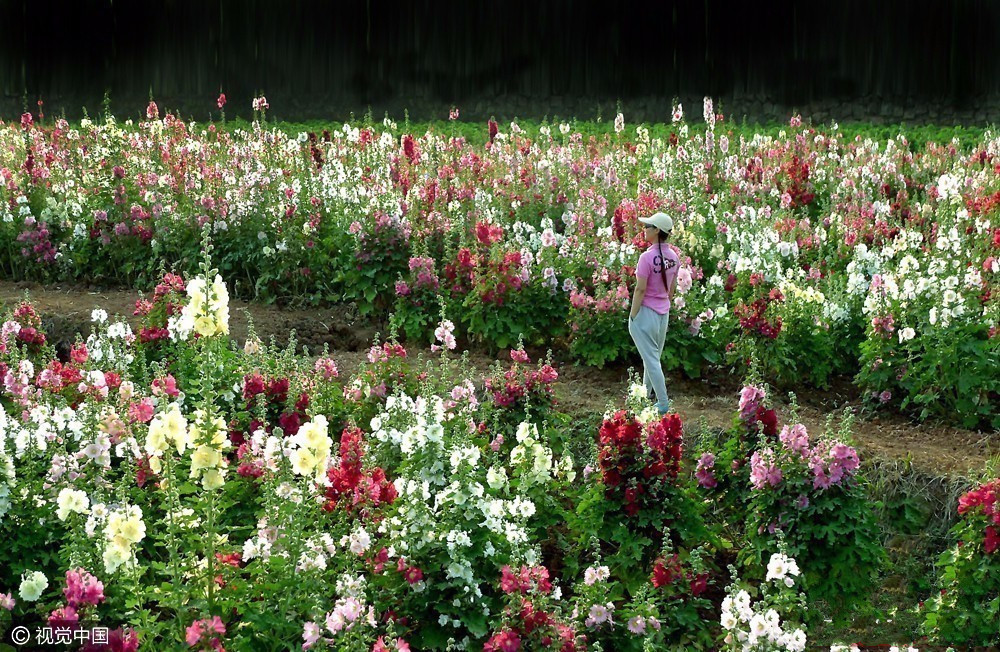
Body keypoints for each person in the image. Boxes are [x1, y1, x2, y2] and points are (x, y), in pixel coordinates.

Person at [628, 212, 680, 415]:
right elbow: (672, 289)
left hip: (646, 312)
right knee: (652, 358)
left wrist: (633, 316)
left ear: (657, 230)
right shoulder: (674, 257)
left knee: (651, 360)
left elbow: (640, 289)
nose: (644, 229)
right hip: (662, 314)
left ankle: (663, 403)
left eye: (648, 226)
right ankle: (644, 395)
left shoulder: (646, 258)